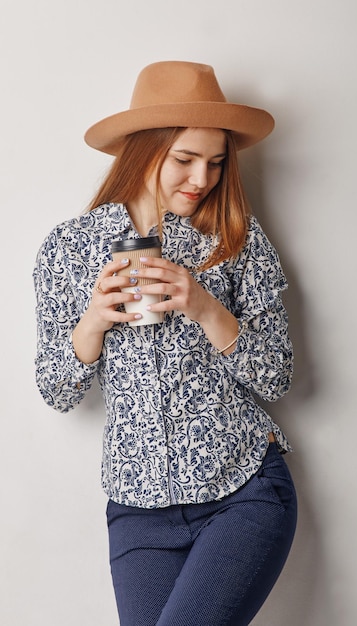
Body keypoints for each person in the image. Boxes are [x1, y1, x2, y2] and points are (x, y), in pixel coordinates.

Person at [34, 61, 297, 626]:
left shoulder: (235, 236)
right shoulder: (70, 248)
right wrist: (92, 324)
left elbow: (277, 376)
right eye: (184, 158)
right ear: (143, 151)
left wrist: (205, 306)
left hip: (242, 489)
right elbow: (55, 391)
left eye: (216, 162)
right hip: (136, 510)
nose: (201, 178)